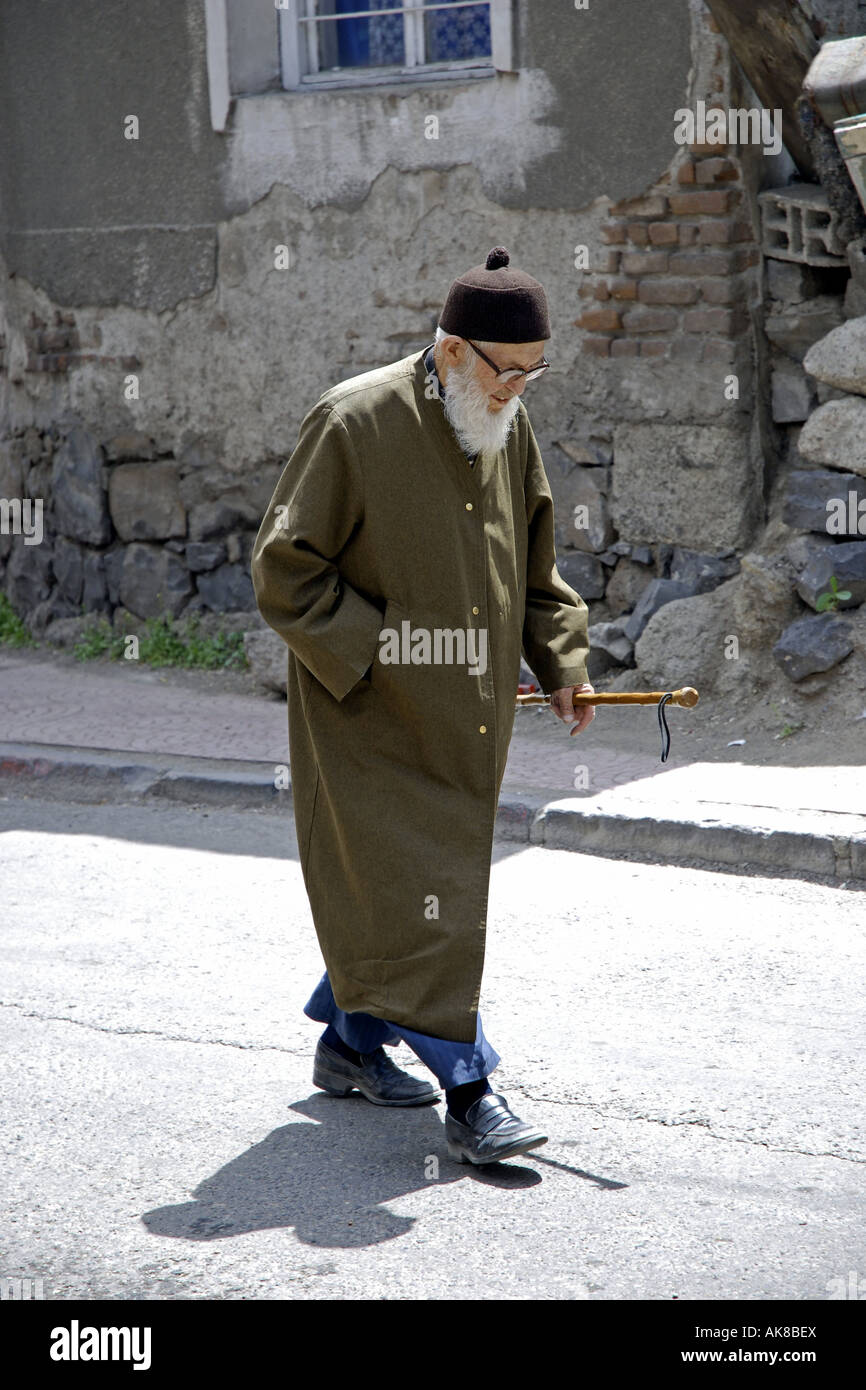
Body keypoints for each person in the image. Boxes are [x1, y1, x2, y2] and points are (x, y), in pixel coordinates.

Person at [250, 247, 595, 1165]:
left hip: (466, 724)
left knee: (396, 902)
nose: (520, 390)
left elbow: (535, 569)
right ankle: (473, 1093)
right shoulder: (353, 421)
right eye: (505, 370)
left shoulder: (503, 425)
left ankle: (351, 1045)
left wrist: (562, 662)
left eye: (535, 373)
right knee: (422, 901)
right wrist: (389, 655)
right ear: (449, 352)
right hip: (365, 721)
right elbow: (285, 575)